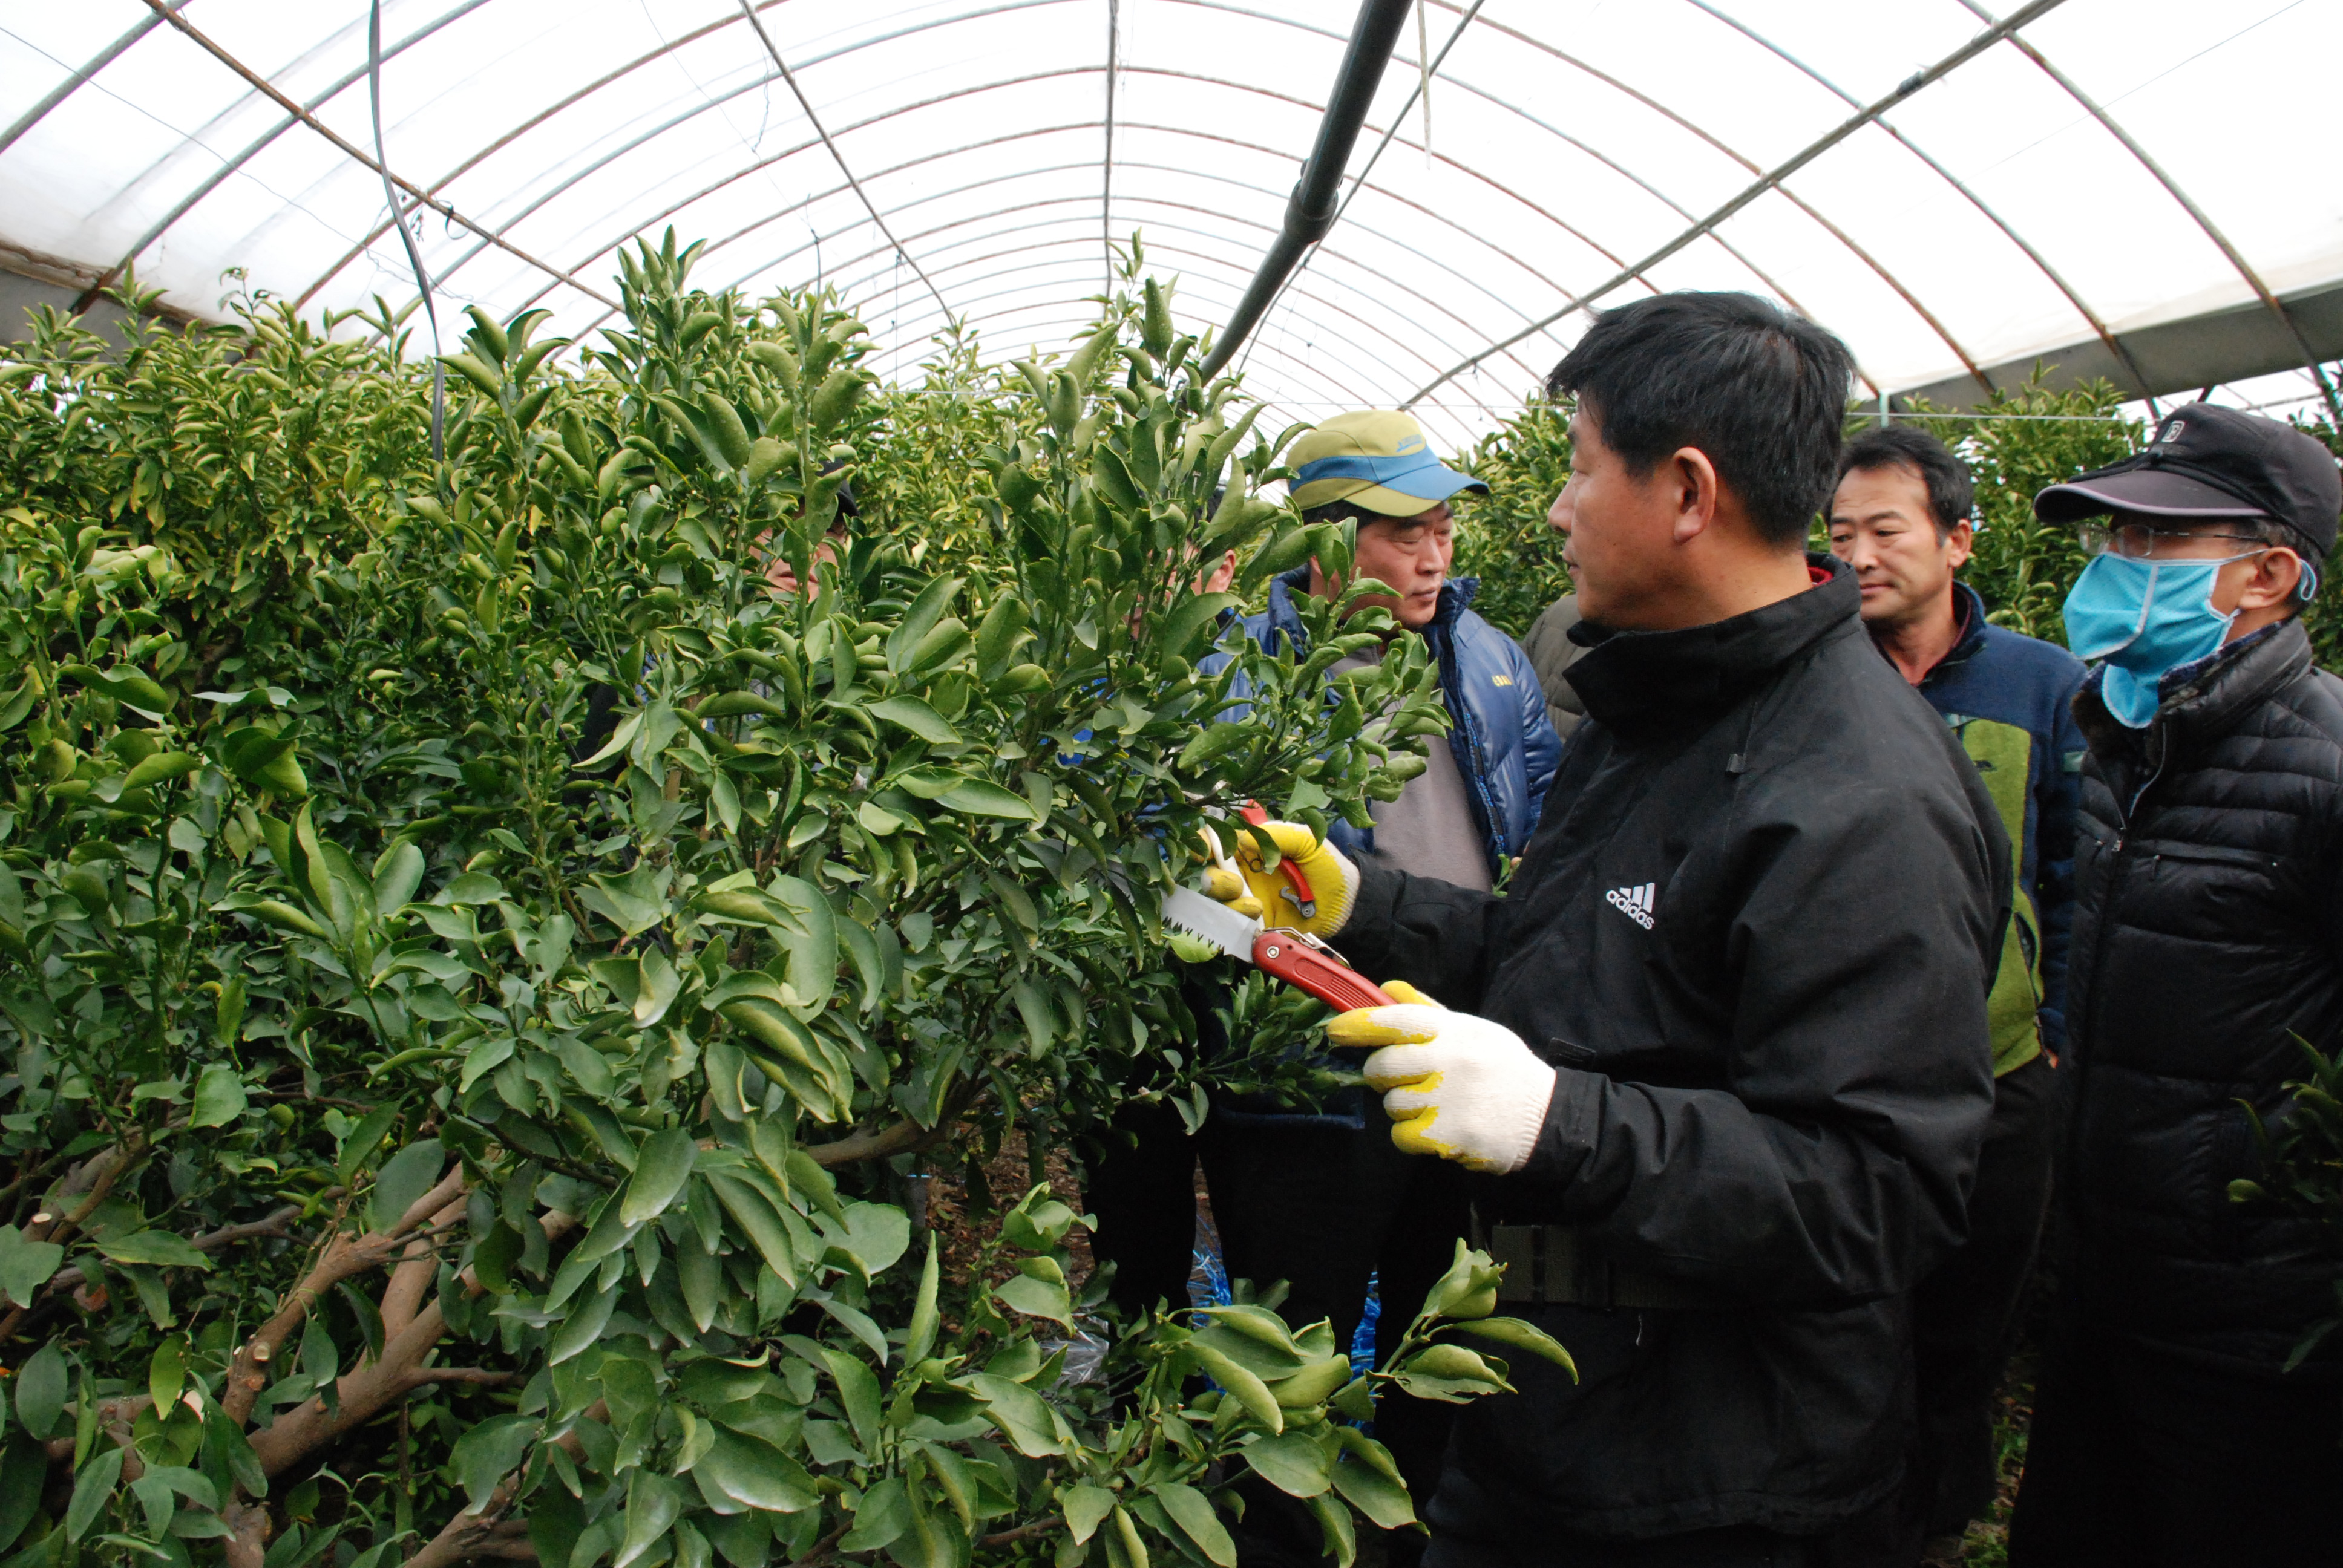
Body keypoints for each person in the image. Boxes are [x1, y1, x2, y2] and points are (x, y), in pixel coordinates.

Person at [1206, 292, 2010, 1567]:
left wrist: (1551, 1121)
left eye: (1581, 470)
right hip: (1556, 1416)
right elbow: (1572, 959)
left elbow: (1878, 1192)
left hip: (1710, 1479)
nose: (1554, 509)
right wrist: (1368, 906)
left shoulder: (1854, 795)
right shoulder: (1654, 709)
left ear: (1687, 493)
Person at [1202, 410, 1559, 1562]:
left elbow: (1543, 817)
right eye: (1404, 532)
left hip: (1461, 1046)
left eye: (1444, 526)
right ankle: (1278, 1537)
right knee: (1291, 1345)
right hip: (1311, 1068)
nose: (1434, 554)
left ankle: (1410, 1529)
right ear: (1321, 543)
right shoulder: (1234, 669)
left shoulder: (1489, 658)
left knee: (1439, 1323)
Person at [2005, 402, 2343, 1567]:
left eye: (2157, 547)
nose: (2116, 568)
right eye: (2115, 541)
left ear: (2268, 573)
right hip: (2102, 1285)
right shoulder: (2117, 741)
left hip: (2248, 1324)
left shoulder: (2326, 766)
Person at [1826, 425, 2084, 1564]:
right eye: (1839, 535)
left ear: (1958, 539)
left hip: (2003, 1074)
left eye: (1887, 530)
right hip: (1855, 1072)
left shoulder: (2042, 684)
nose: (1861, 556)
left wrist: (2060, 1030)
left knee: (1970, 1315)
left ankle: (1936, 1517)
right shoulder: (1814, 674)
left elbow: (2079, 872)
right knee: (1855, 1309)